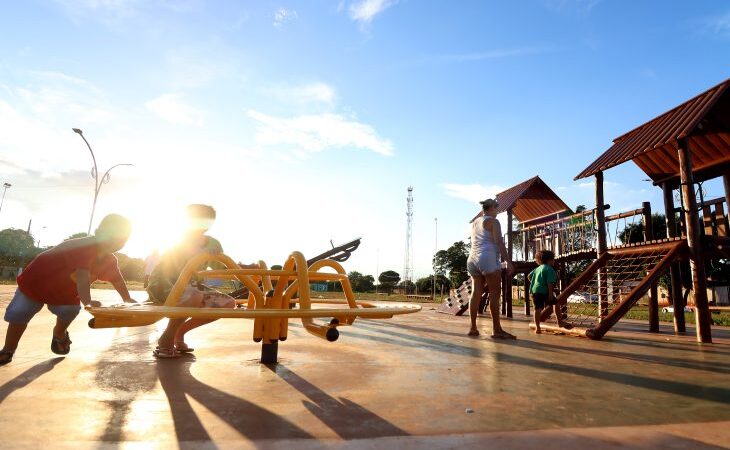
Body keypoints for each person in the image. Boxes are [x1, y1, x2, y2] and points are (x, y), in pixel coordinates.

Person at [0, 214, 136, 366]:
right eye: (111, 235)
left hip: (63, 293)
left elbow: (117, 279)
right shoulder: (85, 246)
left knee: (70, 310)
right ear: (98, 232)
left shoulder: (109, 260)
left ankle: (59, 334)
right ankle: (8, 349)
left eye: (122, 239)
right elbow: (82, 276)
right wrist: (88, 301)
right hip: (36, 284)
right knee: (20, 312)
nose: (115, 241)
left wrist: (127, 298)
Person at [147, 204, 256, 358]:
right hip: (165, 284)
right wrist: (201, 252)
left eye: (207, 219)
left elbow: (225, 268)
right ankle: (167, 338)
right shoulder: (179, 238)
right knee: (194, 296)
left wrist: (248, 268)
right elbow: (181, 254)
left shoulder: (212, 243)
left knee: (228, 304)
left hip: (193, 286)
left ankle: (180, 331)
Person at [466, 198, 516, 339]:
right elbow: (498, 242)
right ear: (491, 208)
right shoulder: (494, 222)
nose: (498, 211)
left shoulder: (476, 222)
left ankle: (473, 328)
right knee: (495, 292)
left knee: (476, 293)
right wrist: (509, 262)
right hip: (487, 258)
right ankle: (497, 329)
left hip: (472, 260)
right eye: (496, 208)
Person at [528, 250, 557, 334]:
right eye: (553, 259)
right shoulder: (549, 269)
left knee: (537, 309)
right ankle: (559, 322)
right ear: (549, 260)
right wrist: (551, 294)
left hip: (534, 291)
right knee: (556, 304)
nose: (554, 261)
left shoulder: (537, 268)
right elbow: (549, 284)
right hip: (544, 291)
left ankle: (538, 328)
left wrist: (536, 282)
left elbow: (529, 276)